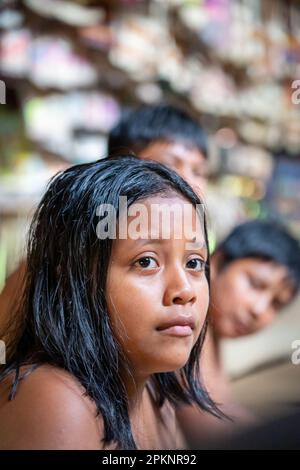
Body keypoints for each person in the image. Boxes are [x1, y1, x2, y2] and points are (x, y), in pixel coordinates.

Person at [0, 156, 220, 450]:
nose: (184, 290)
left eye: (194, 262)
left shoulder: (156, 390)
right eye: (146, 261)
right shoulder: (57, 401)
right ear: (73, 278)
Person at [0, 103, 208, 322]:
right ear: (118, 166)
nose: (188, 182)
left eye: (198, 171)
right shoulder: (68, 250)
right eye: (168, 166)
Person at [177, 220, 300, 443]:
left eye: (276, 304)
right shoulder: (184, 327)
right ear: (217, 261)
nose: (259, 310)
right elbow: (210, 432)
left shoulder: (212, 338)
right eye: (255, 284)